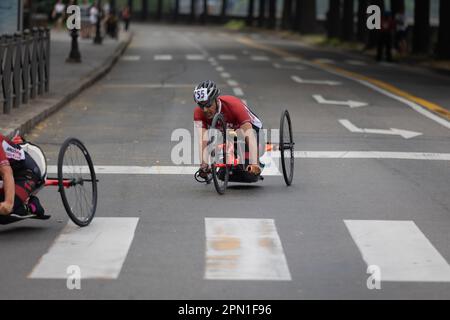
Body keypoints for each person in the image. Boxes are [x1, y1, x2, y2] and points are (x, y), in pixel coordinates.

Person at [193, 80, 264, 179]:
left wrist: (254, 163)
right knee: (224, 174)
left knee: (249, 174)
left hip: (250, 128)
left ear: (216, 100)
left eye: (208, 105)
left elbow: (249, 135)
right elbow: (202, 140)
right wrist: (204, 165)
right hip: (229, 132)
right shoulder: (198, 113)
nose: (205, 110)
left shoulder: (233, 105)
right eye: (201, 105)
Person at [0, 135, 45, 219]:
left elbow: (6, 173)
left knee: (4, 213)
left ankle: (30, 205)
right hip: (6, 172)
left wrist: (8, 203)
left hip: (25, 173)